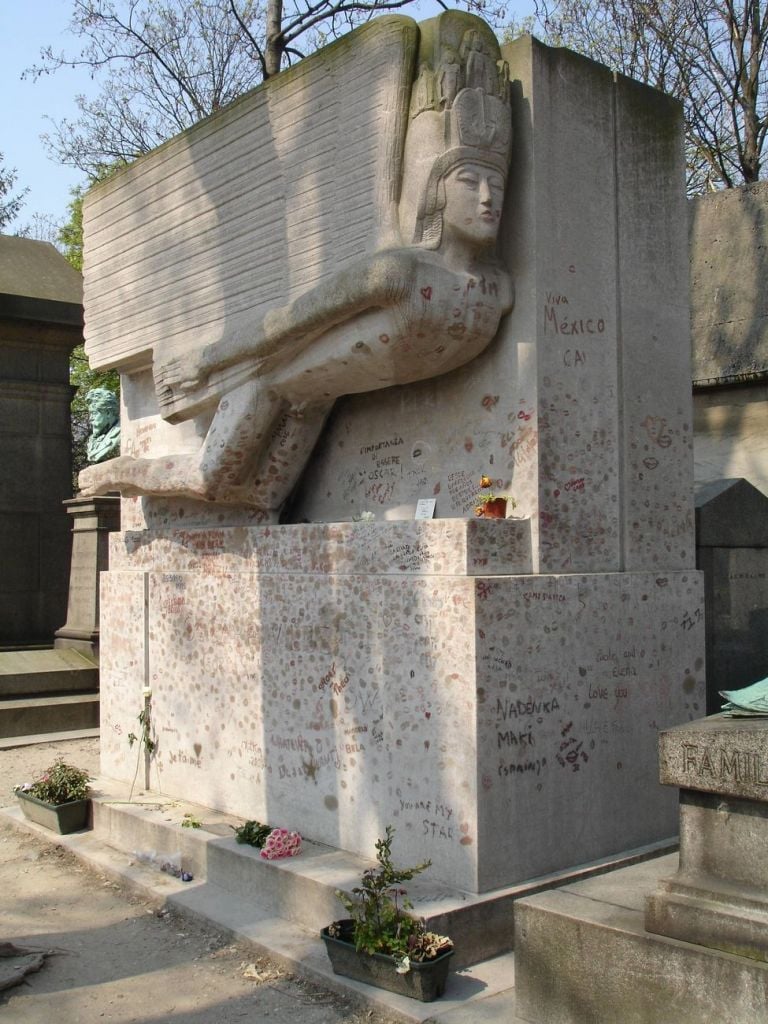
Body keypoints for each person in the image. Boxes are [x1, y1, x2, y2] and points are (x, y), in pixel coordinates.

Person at [84, 388, 121, 464]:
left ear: (108, 413)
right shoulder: (93, 440)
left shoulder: (122, 433)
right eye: (90, 414)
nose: (91, 418)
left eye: (94, 413)